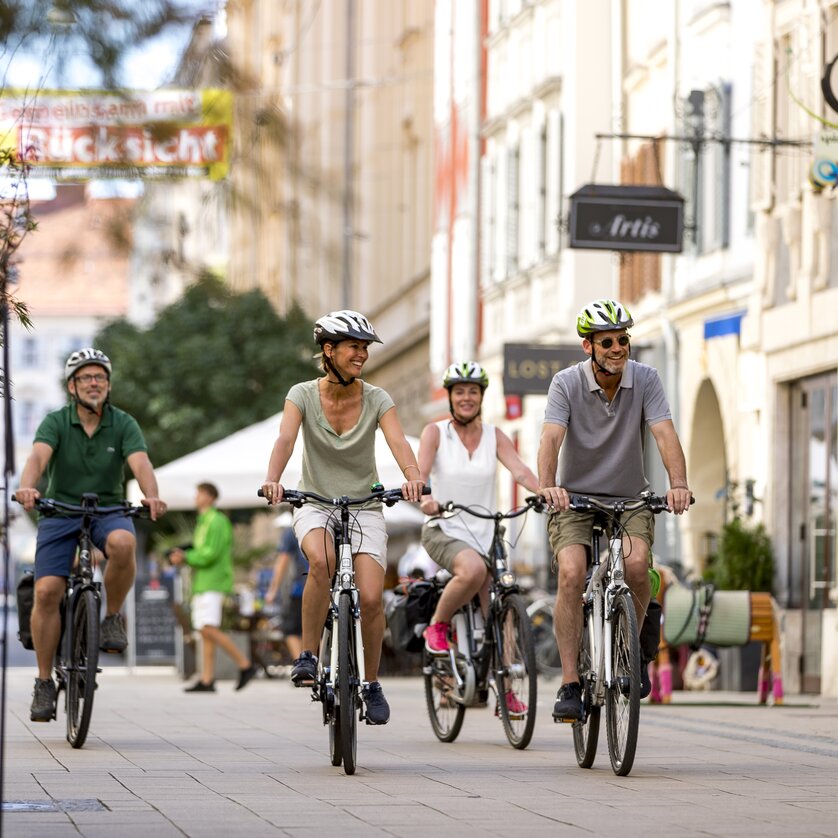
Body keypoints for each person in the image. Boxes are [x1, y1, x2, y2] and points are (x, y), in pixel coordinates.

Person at [261, 310, 424, 725]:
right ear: (328, 350)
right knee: (322, 560)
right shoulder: (301, 394)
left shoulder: (376, 398)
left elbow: (398, 441)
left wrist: (413, 477)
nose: (362, 355)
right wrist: (273, 480)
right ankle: (309, 654)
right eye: (355, 346)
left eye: (365, 348)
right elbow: (285, 437)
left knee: (370, 597)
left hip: (364, 505)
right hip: (315, 500)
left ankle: (370, 682)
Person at [537, 299, 693, 722]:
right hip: (575, 499)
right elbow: (551, 439)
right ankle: (570, 682)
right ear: (588, 346)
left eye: (623, 339)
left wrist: (678, 485)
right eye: (607, 341)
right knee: (571, 572)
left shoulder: (646, 379)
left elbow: (664, 434)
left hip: (629, 497)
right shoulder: (565, 383)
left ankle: (633, 648)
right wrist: (548, 486)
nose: (618, 347)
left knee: (638, 564)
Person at [15, 348, 167, 723]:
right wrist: (27, 488)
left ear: (108, 385)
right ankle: (44, 681)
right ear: (72, 386)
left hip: (108, 510)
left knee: (124, 543)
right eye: (86, 377)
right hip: (60, 511)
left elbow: (140, 462)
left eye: (100, 377)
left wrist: (151, 494)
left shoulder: (123, 423)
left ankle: (111, 616)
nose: (94, 383)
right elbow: (37, 458)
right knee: (47, 591)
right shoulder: (55, 422)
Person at [417, 362, 540, 711]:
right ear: (451, 398)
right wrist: (427, 500)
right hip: (445, 528)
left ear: (482, 397)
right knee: (471, 571)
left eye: (473, 391)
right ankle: (438, 627)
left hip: (488, 531)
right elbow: (420, 476)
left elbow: (519, 470)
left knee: (502, 608)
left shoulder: (494, 435)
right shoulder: (435, 433)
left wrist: (546, 490)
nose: (467, 398)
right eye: (460, 392)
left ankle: (507, 689)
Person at [170, 482, 257, 693]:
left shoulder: (216, 521)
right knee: (205, 630)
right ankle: (207, 679)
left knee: (208, 628)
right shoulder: (205, 521)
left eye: (199, 493)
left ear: (210, 496)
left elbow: (211, 553)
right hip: (203, 581)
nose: (195, 497)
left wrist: (186, 556)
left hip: (213, 581)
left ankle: (245, 665)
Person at [265, 524, 306, 661]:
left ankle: (303, 665)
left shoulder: (292, 530)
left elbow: (282, 562)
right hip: (326, 586)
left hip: (300, 588)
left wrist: (272, 590)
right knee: (316, 629)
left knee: (291, 630)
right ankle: (311, 664)